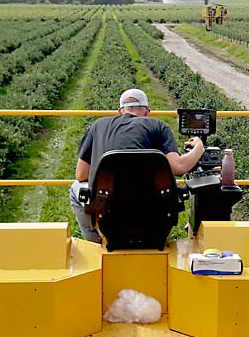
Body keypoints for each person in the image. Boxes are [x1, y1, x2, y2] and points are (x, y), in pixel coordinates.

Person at [70, 88, 205, 242]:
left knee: (76, 187)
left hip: (108, 212)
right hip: (153, 215)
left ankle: (96, 240)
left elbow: (81, 174)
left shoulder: (98, 125)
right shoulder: (159, 127)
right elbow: (179, 168)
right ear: (147, 112)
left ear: (120, 111)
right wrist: (199, 147)